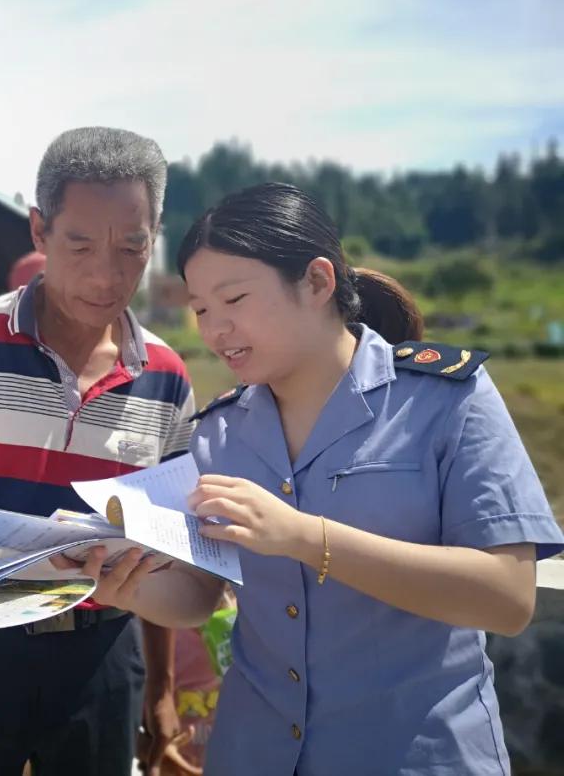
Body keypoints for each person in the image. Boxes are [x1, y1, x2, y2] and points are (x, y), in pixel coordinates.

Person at [174, 183, 564, 775]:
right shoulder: (217, 434)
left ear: (317, 282)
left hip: (415, 756)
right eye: (201, 309)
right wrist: (115, 579)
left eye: (235, 300)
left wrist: (305, 537)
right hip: (253, 755)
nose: (215, 329)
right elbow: (199, 594)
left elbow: (507, 598)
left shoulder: (444, 401)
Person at [0, 127, 217, 776]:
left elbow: (165, 543)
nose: (107, 274)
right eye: (79, 244)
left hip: (104, 658)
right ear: (38, 231)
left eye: (132, 247)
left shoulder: (166, 378)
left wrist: (161, 690)